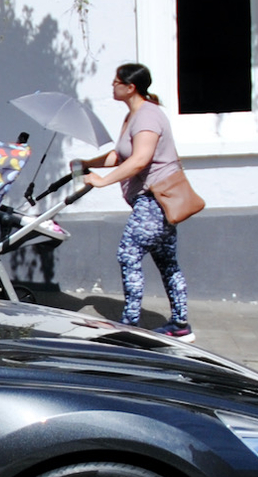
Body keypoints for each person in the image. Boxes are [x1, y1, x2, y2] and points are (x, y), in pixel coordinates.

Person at [80, 63, 193, 342]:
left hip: (154, 200)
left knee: (128, 255)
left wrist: (102, 181)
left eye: (116, 82)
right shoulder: (134, 116)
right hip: (155, 201)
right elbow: (121, 156)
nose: (112, 86)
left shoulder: (147, 116)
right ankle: (180, 325)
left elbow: (140, 160)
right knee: (167, 263)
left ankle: (130, 325)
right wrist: (86, 164)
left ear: (130, 87)